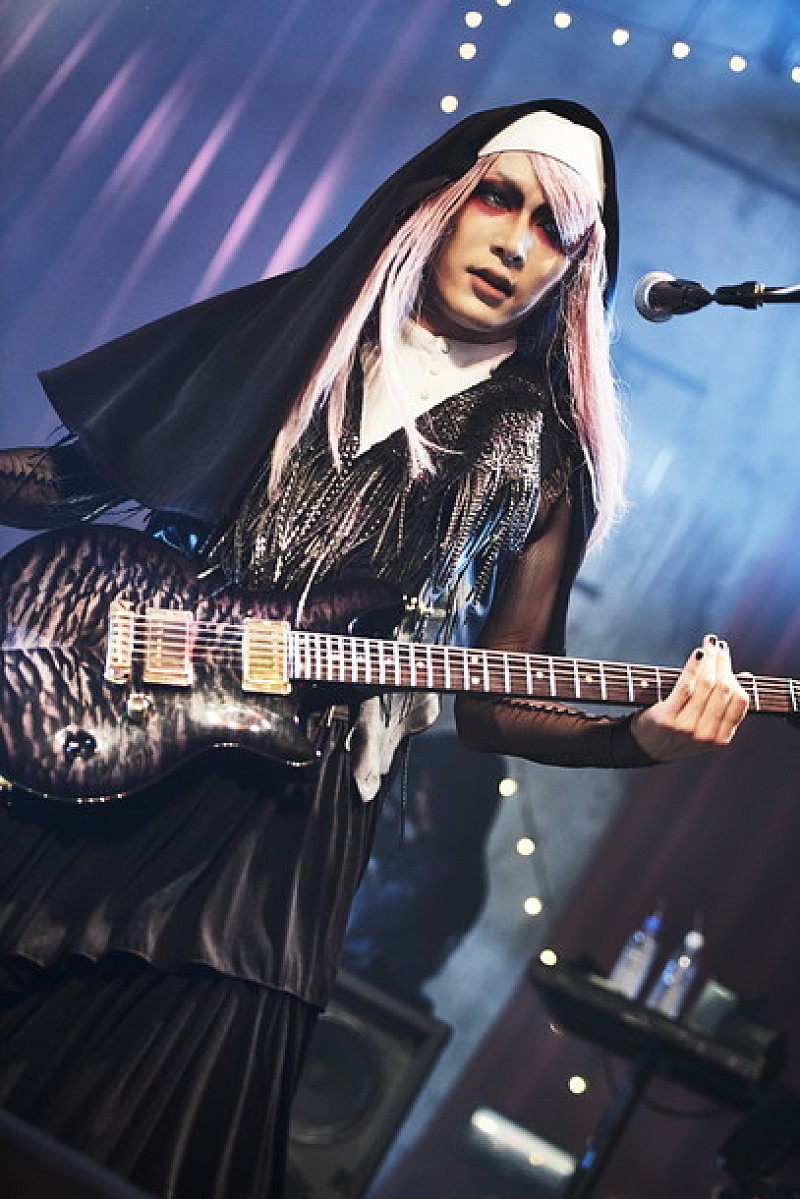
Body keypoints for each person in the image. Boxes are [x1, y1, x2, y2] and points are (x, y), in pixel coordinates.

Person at [0, 99, 748, 1198]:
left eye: (553, 228)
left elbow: (498, 696)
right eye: (498, 199)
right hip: (95, 736)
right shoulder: (295, 334)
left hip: (276, 829)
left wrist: (637, 738)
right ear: (439, 200)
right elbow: (68, 483)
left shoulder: (541, 454)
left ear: (576, 268)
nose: (514, 242)